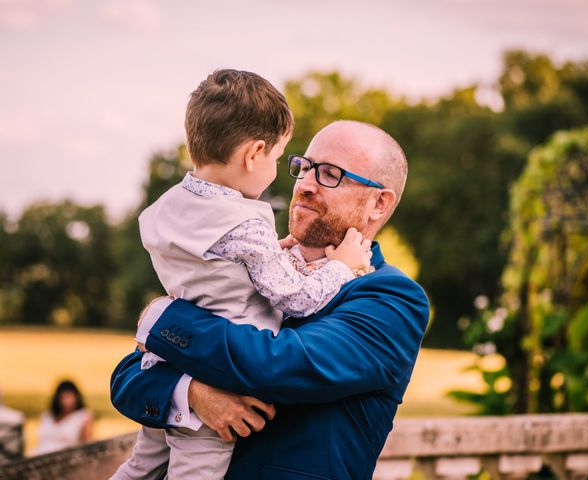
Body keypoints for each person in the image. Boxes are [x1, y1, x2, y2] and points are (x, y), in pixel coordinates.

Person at [111, 120, 430, 479]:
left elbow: (280, 364)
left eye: (330, 174)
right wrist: (192, 393)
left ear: (378, 203)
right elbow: (127, 378)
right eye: (304, 168)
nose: (306, 185)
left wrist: (160, 315)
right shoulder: (255, 261)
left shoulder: (392, 299)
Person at [33, 380, 92, 455]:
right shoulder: (47, 416)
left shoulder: (83, 416)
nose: (67, 401)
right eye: (64, 397)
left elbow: (87, 444)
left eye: (70, 397)